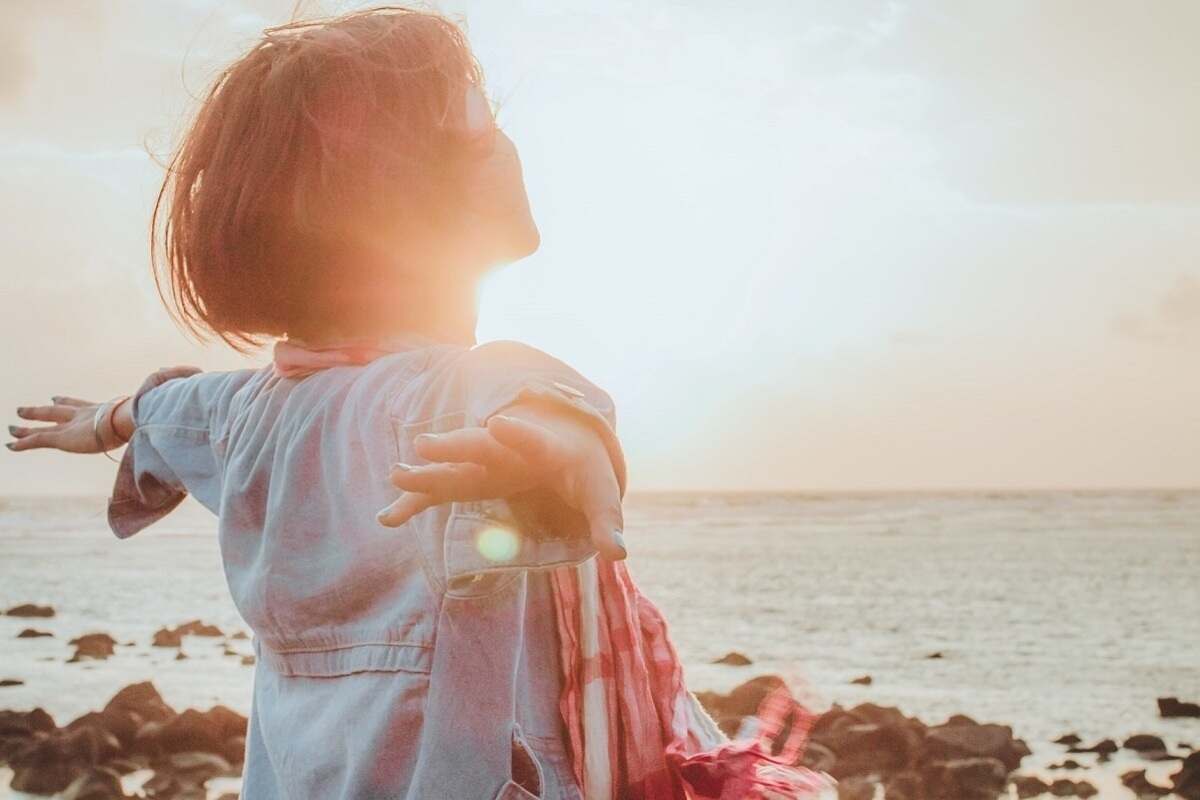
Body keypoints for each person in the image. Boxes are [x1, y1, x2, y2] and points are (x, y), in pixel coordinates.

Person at [7, 8, 828, 799]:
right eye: (478, 125)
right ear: (397, 197)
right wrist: (544, 452)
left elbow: (170, 409)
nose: (504, 140)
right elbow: (551, 412)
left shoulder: (248, 411)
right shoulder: (462, 390)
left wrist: (111, 419)